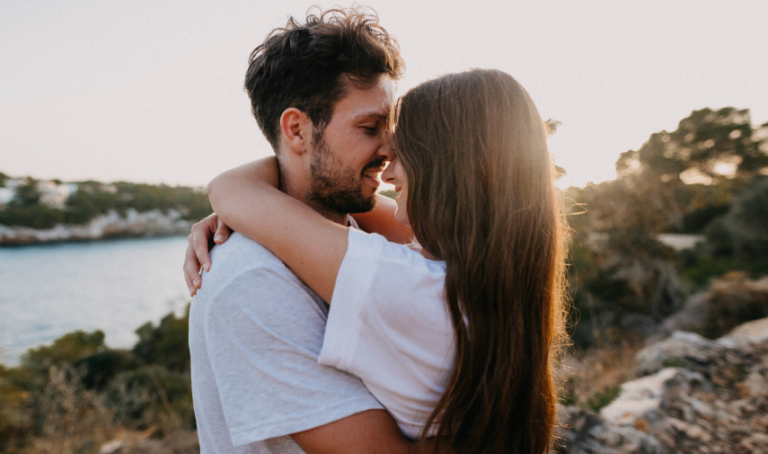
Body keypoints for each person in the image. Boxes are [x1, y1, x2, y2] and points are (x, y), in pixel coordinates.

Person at [188, 69, 569, 454]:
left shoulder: (413, 287)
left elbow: (229, 188)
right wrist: (261, 203)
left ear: (447, 170)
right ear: (296, 130)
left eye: (404, 148)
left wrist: (254, 199)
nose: (387, 164)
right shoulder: (494, 278)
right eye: (371, 128)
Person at [184, 7, 432, 454]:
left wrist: (241, 189)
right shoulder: (252, 279)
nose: (390, 147)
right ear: (297, 130)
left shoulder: (374, 233)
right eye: (370, 127)